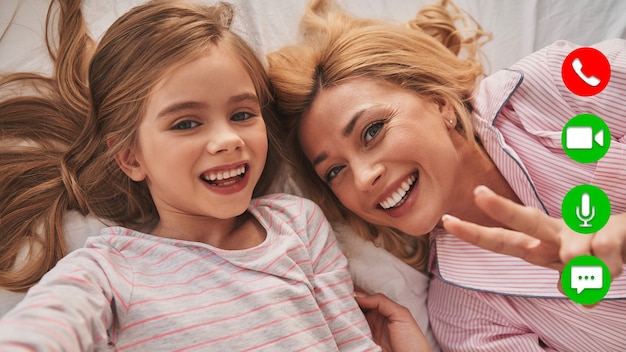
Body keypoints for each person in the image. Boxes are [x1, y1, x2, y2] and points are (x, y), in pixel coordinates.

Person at [0, 0, 430, 350]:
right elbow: (47, 327)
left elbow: (354, 345)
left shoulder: (297, 226)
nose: (228, 140)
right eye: (186, 123)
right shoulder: (110, 270)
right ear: (131, 158)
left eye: (242, 114)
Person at [267, 0, 626, 350]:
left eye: (372, 130)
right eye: (335, 171)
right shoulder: (463, 315)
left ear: (439, 103)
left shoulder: (555, 83)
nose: (362, 179)